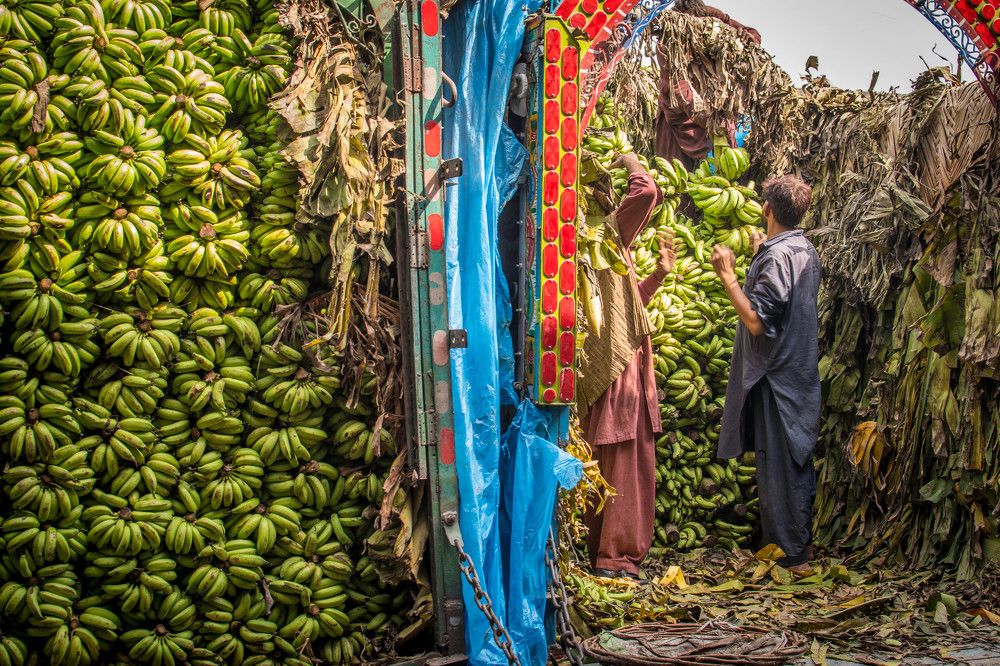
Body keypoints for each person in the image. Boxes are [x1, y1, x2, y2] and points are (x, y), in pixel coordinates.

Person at [710, 175, 821, 574]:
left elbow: (758, 321)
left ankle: (791, 554)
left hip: (778, 379)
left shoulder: (778, 257)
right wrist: (762, 254)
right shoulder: (801, 248)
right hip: (797, 372)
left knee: (780, 465)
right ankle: (785, 545)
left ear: (767, 209)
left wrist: (727, 275)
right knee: (788, 460)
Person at [580, 153, 676, 581]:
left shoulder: (592, 248)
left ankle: (601, 550)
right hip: (619, 366)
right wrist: (632, 160)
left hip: (606, 363)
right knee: (625, 455)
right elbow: (647, 191)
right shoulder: (604, 231)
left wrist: (656, 276)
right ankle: (615, 557)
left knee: (607, 452)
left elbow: (619, 304)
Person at [655, 0, 761, 167]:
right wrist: (708, 118)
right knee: (677, 171)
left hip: (715, 104)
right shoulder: (670, 30)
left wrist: (747, 38)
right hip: (682, 116)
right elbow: (678, 87)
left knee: (725, 163)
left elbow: (751, 34)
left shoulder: (709, 14)